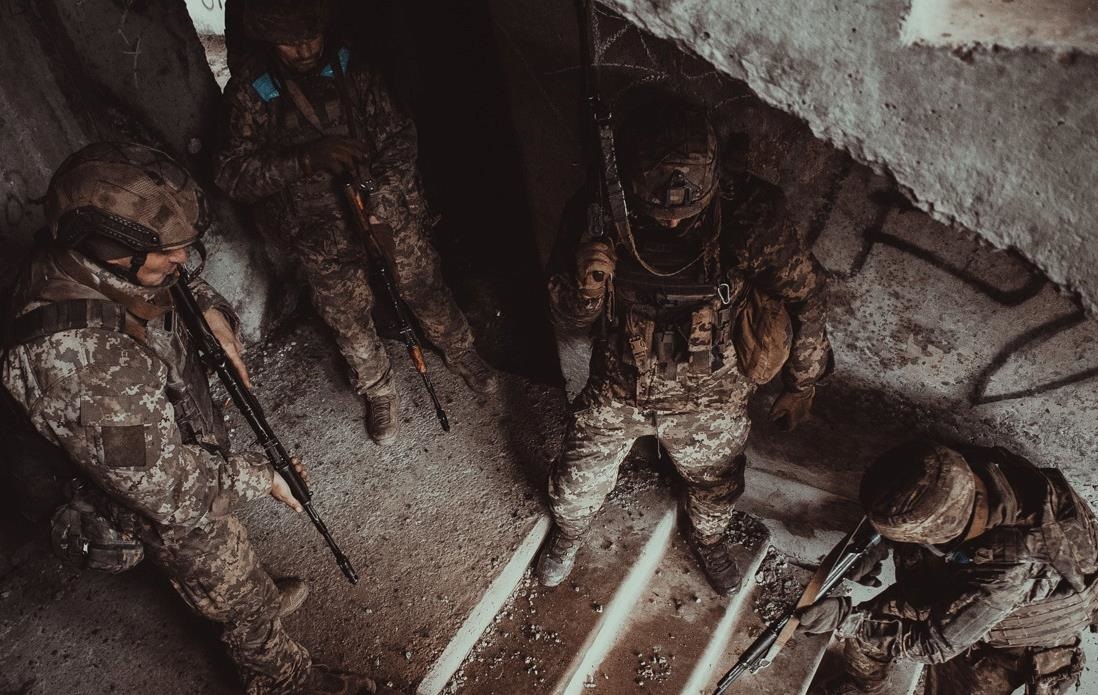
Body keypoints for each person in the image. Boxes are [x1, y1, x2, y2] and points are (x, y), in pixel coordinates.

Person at [1, 142, 392, 694]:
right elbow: (169, 492)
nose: (183, 261)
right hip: (149, 491)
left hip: (165, 444)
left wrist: (209, 309)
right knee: (230, 585)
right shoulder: (84, 363)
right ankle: (281, 675)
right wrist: (263, 476)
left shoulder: (87, 259)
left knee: (232, 558)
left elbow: (167, 285)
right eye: (169, 252)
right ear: (111, 248)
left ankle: (250, 594)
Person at [537, 101, 833, 594]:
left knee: (717, 487)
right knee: (574, 483)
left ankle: (708, 539)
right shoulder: (598, 210)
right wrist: (586, 288)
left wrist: (802, 382)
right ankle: (568, 535)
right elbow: (565, 318)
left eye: (685, 212)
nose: (672, 224)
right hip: (619, 387)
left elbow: (809, 295)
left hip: (712, 393)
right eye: (658, 212)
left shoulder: (750, 216)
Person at [215, 0, 496, 445]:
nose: (305, 50)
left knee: (425, 288)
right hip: (316, 232)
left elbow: (400, 138)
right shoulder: (252, 90)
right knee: (347, 318)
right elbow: (233, 175)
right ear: (269, 40)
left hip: (383, 215)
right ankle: (378, 389)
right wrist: (304, 160)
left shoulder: (355, 68)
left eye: (312, 37)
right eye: (290, 43)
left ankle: (462, 352)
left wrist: (380, 194)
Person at [799, 440, 1097, 695]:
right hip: (966, 586)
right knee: (871, 632)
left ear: (942, 543)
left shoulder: (1012, 566)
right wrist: (874, 546)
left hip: (1019, 637)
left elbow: (933, 645)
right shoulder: (955, 472)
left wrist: (845, 619)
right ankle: (862, 687)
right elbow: (915, 501)